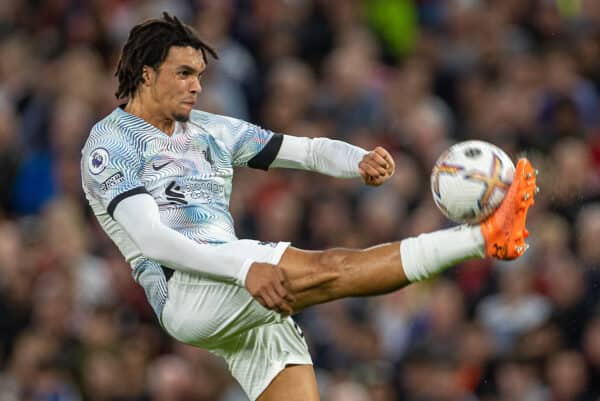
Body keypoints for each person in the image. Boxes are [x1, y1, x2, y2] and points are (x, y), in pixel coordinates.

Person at [80, 13, 537, 401]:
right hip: (189, 285)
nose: (197, 86)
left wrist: (357, 160)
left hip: (231, 282)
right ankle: (482, 237)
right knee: (333, 268)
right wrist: (244, 270)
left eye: (200, 74)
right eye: (184, 73)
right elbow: (153, 239)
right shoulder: (110, 145)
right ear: (145, 73)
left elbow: (306, 150)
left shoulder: (209, 130)